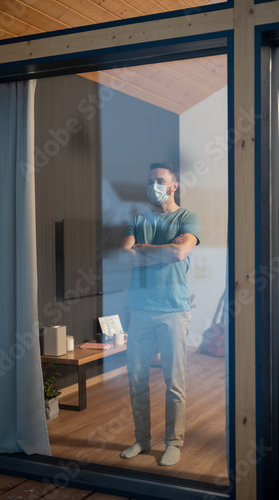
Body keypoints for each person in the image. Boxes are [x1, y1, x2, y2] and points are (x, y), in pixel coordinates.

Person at [119, 162, 200, 466]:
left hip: (173, 309)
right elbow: (124, 257)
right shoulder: (137, 219)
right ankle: (141, 440)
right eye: (150, 180)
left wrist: (142, 247)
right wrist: (161, 249)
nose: (154, 184)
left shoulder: (187, 218)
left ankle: (173, 443)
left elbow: (180, 253)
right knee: (136, 379)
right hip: (139, 309)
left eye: (160, 180)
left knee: (173, 381)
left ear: (173, 185)